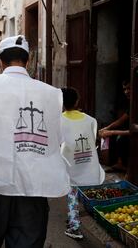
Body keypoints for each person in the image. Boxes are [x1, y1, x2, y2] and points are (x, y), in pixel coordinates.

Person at [0, 35, 70, 248]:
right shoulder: (52, 95)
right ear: (29, 62)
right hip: (34, 189)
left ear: (0, 62)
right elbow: (55, 144)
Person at [60, 87, 105, 240]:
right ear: (77, 101)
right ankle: (78, 217)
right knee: (86, 189)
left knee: (72, 193)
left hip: (71, 161)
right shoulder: (91, 120)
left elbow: (58, 143)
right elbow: (93, 139)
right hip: (87, 160)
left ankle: (74, 226)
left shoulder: (59, 120)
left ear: (61, 103)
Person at [98, 80, 131, 172]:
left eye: (129, 88)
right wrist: (106, 128)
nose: (126, 92)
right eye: (125, 89)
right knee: (110, 136)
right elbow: (120, 121)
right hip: (131, 131)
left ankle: (126, 166)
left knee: (120, 138)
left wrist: (112, 132)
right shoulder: (132, 104)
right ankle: (118, 163)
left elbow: (134, 130)